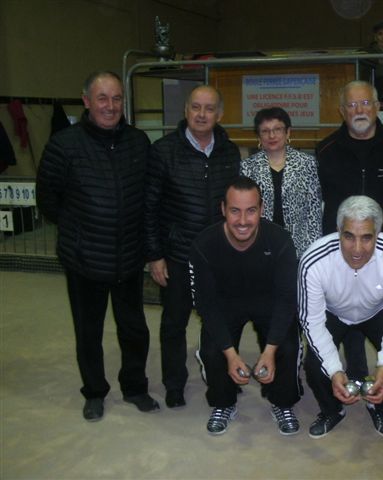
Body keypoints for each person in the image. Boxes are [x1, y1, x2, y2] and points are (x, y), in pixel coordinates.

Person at [36, 71, 158, 421]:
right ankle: (94, 391)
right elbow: (47, 198)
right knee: (88, 332)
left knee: (134, 328)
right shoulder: (64, 145)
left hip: (129, 258)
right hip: (84, 259)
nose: (110, 106)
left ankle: (135, 387)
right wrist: (79, 229)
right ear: (87, 101)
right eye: (102, 98)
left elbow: (146, 195)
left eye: (116, 98)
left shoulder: (138, 142)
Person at [144, 85, 241, 409]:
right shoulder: (162, 151)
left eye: (209, 108)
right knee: (174, 323)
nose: (202, 114)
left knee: (219, 320)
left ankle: (220, 377)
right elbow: (150, 207)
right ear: (186, 111)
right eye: (196, 107)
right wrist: (155, 255)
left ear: (220, 114)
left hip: (219, 256)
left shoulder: (230, 151)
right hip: (177, 254)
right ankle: (174, 384)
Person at [317, 80, 383, 387]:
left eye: (365, 104)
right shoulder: (326, 149)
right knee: (346, 303)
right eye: (351, 105)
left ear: (377, 107)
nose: (358, 110)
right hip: (342, 245)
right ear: (341, 110)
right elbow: (324, 192)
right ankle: (357, 371)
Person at [189, 176, 302, 436]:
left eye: (251, 211)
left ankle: (282, 402)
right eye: (235, 211)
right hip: (225, 303)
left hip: (269, 301)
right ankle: (223, 402)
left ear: (261, 210)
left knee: (287, 346)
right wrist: (231, 355)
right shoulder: (203, 245)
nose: (242, 221)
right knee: (212, 350)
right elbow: (206, 305)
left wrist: (270, 350)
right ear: (223, 209)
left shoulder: (280, 240)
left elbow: (287, 300)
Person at [299, 196, 383, 439]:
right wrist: (334, 371)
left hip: (376, 311)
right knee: (314, 366)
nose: (357, 249)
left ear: (378, 234)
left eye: (367, 237)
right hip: (334, 312)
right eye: (349, 236)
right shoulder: (313, 261)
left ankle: (379, 407)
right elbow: (312, 323)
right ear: (338, 231)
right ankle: (332, 411)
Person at [241, 107, 322, 258]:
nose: (272, 135)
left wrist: (313, 250)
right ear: (259, 136)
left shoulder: (307, 164)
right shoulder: (247, 167)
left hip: (298, 248)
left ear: (288, 132)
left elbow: (314, 212)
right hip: (259, 245)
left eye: (277, 129)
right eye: (265, 131)